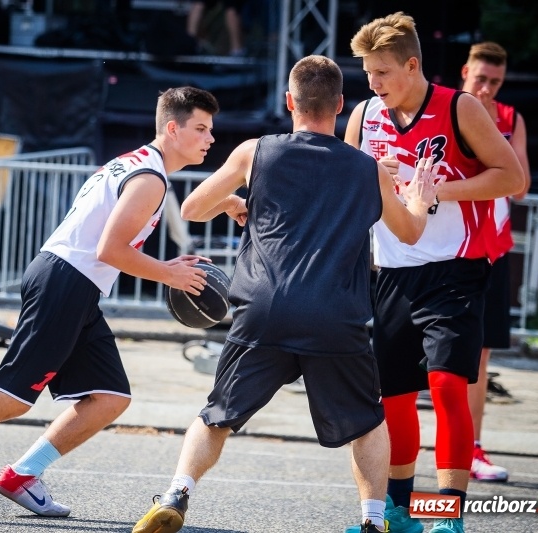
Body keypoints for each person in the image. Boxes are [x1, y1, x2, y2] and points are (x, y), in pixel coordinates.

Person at [0, 86, 221, 517]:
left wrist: (166, 265)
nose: (210, 138)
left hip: (75, 285)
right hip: (65, 282)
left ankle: (23, 474)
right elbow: (109, 250)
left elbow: (104, 244)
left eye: (210, 130)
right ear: (172, 128)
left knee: (110, 396)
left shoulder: (135, 166)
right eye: (201, 128)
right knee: (12, 397)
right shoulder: (149, 179)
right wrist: (169, 273)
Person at [133, 54, 444, 533]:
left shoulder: (255, 152)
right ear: (340, 105)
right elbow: (409, 233)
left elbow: (194, 208)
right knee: (367, 424)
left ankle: (177, 493)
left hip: (265, 308)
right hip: (335, 314)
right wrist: (419, 200)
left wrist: (235, 201)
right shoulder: (367, 169)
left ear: (289, 102)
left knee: (217, 416)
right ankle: (371, 521)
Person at [343, 12, 524, 533]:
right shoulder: (365, 116)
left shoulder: (458, 106)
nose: (373, 83)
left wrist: (437, 191)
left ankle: (448, 516)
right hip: (391, 272)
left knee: (446, 386)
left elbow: (510, 176)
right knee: (394, 395)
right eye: (367, 73)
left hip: (454, 269)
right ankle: (400, 511)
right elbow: (353, 188)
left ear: (412, 64)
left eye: (381, 72)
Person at [461, 41, 532, 482]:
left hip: (492, 249)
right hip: (447, 248)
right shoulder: (447, 108)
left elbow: (519, 185)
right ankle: (392, 448)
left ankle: (471, 449)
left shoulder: (510, 118)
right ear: (464, 72)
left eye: (496, 81)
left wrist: (490, 127)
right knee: (414, 352)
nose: (487, 88)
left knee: (480, 356)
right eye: (480, 78)